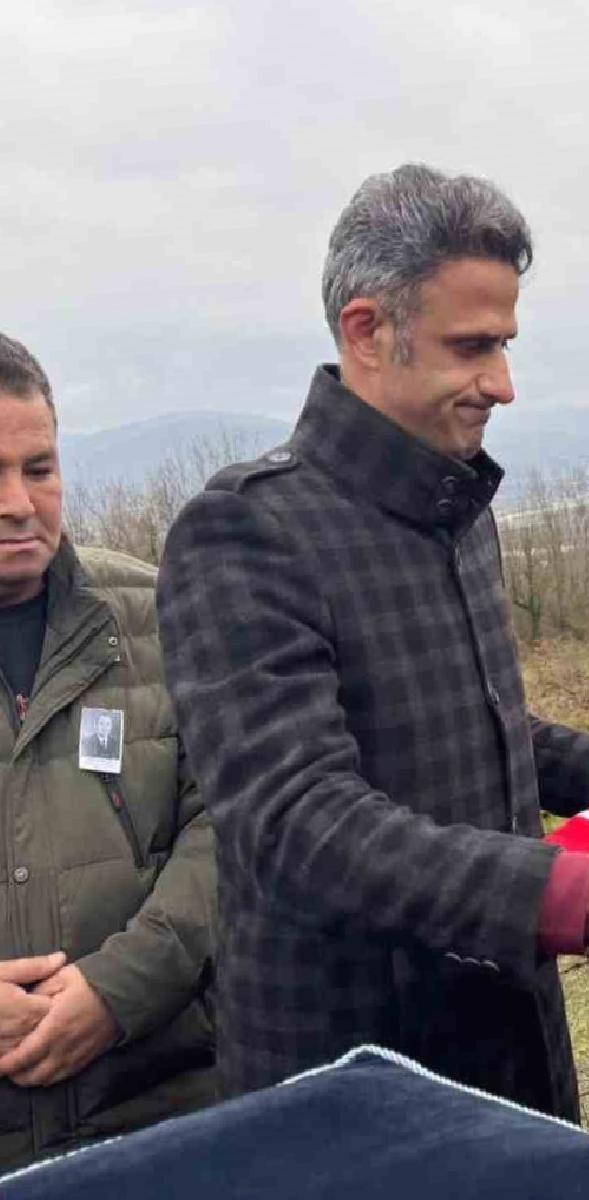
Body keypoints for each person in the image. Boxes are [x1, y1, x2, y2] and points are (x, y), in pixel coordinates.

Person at [156, 164, 589, 1118]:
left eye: (506, 343)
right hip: (355, 1091)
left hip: (508, 1049)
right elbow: (298, 820)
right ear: (366, 331)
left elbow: (462, 726)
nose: (504, 384)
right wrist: (574, 895)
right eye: (472, 347)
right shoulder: (246, 535)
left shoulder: (456, 503)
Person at [0, 333, 215, 1169]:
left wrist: (118, 991)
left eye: (39, 468)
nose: (17, 502)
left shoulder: (156, 613)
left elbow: (228, 823)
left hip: (162, 1114)